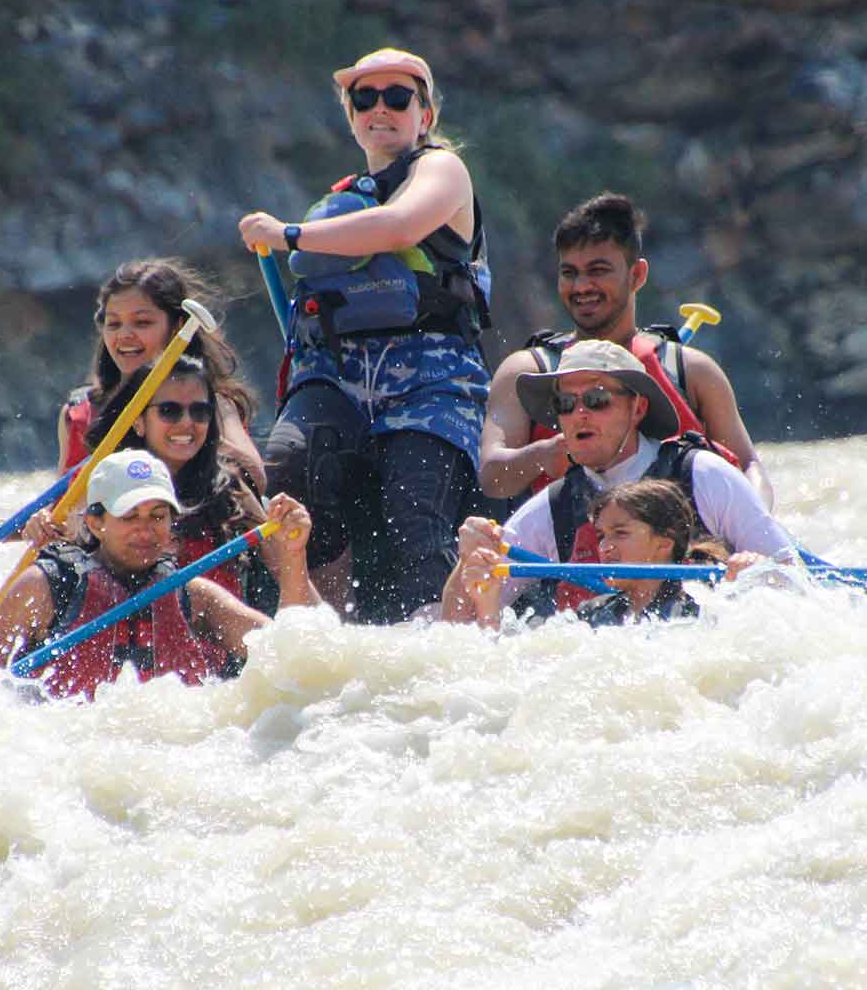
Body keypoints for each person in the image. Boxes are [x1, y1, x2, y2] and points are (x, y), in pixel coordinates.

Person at [237, 47, 492, 623]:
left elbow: (398, 227)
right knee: (291, 474)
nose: (381, 109)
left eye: (399, 97)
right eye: (365, 98)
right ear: (351, 115)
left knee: (413, 508)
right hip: (334, 373)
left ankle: (432, 638)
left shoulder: (443, 170)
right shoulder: (342, 198)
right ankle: (316, 630)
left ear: (425, 114)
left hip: (431, 377)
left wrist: (287, 234)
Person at [441, 339, 795, 623]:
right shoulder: (554, 506)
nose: (579, 413)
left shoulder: (705, 475)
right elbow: (462, 627)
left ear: (637, 409)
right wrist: (468, 563)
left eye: (596, 398)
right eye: (566, 402)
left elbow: (795, 583)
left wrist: (752, 581)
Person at [479, 193, 772, 508]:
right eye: (569, 273)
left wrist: (754, 518)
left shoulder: (692, 371)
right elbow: (491, 476)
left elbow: (749, 466)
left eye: (598, 270)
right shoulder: (528, 370)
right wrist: (544, 455)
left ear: (637, 275)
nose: (581, 286)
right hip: (568, 551)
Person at [0, 450, 320, 701]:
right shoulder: (41, 587)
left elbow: (289, 654)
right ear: (96, 523)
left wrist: (293, 556)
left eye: (157, 516)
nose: (145, 530)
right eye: (129, 516)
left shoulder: (193, 594)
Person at [0, 356, 267, 601]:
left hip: (214, 646)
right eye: (170, 411)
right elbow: (69, 525)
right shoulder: (104, 478)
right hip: (132, 651)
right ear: (138, 422)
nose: (187, 422)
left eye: (200, 412)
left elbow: (286, 564)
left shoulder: (229, 488)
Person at [444, 478, 766, 629]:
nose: (604, 547)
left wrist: (749, 585)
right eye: (602, 535)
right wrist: (487, 606)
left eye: (620, 533)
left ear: (664, 542)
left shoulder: (708, 603)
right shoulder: (592, 612)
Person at [54, 258, 264, 490]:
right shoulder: (78, 413)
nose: (124, 335)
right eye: (113, 324)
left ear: (177, 327)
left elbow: (256, 477)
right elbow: (59, 508)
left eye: (142, 323)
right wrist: (41, 523)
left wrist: (188, 433)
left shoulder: (210, 405)